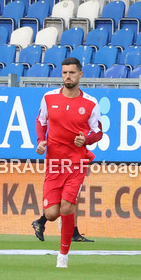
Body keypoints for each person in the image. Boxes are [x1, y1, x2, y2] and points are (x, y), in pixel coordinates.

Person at [35, 58, 103, 268]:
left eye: (72, 73)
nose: (68, 76)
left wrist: (86, 140)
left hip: (76, 162)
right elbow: (41, 121)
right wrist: (40, 141)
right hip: (54, 163)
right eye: (65, 73)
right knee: (51, 213)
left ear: (80, 75)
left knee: (67, 206)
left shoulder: (90, 103)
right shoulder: (49, 98)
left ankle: (63, 256)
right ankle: (49, 224)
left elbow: (98, 132)